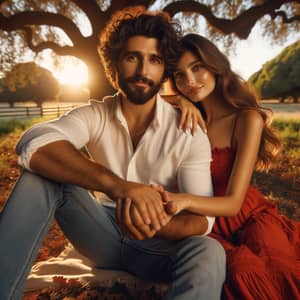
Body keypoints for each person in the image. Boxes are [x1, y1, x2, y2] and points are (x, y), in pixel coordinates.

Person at [0, 9, 226, 300]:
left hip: (159, 248)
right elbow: (35, 142)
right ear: (114, 65)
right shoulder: (97, 114)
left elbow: (203, 219)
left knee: (209, 250)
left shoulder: (188, 130)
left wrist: (153, 220)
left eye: (154, 60)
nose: (143, 71)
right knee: (39, 176)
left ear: (164, 70)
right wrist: (120, 188)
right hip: (100, 234)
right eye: (132, 57)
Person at [161, 33, 300, 299]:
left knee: (276, 269)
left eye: (197, 67)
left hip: (247, 216)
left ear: (214, 65)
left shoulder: (246, 119)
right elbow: (132, 98)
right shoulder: (185, 117)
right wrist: (179, 101)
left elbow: (233, 203)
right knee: (234, 270)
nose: (190, 81)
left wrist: (183, 201)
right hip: (206, 223)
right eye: (179, 75)